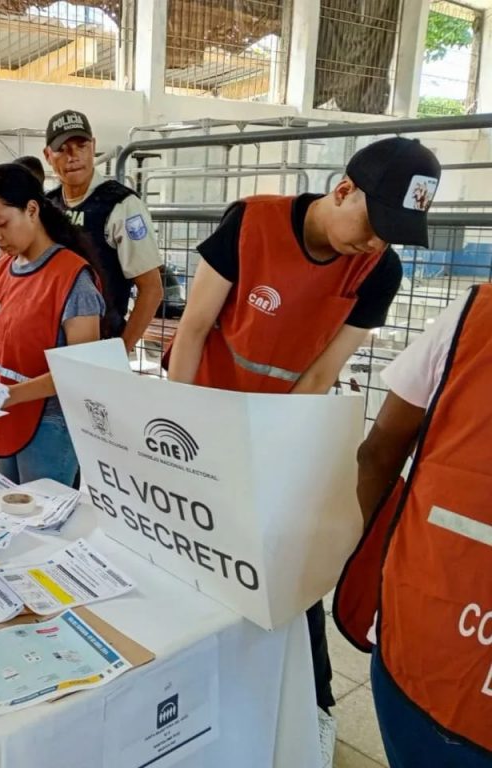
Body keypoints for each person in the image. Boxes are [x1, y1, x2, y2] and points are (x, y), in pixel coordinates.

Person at [167, 136, 441, 756]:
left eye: (392, 234)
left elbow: (319, 374)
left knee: (288, 574)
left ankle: (312, 702)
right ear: (343, 189)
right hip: (201, 419)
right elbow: (193, 332)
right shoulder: (254, 221)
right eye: (373, 225)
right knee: (193, 552)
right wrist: (177, 429)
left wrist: (271, 453)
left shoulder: (380, 270)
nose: (375, 244)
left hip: (276, 432)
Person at [342, 286, 492, 768]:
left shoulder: (473, 317)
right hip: (424, 655)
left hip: (424, 649)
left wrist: (335, 563)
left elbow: (380, 449)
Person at [0, 163, 104, 485]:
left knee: (42, 519)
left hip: (48, 423)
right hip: (5, 415)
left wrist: (8, 395)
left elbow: (82, 370)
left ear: (32, 209)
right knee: (12, 508)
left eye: (1, 223)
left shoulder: (71, 278)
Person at [44, 110, 163, 348]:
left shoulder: (122, 205)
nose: (73, 156)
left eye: (81, 145)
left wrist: (121, 350)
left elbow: (151, 289)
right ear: (48, 155)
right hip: (49, 341)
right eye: (62, 149)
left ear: (93, 146)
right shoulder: (48, 205)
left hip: (99, 343)